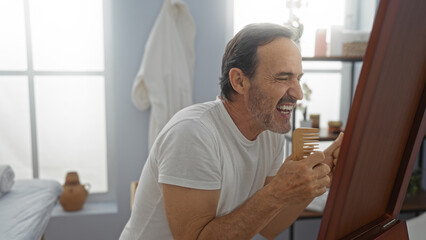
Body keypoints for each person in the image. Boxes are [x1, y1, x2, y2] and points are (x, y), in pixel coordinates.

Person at [120, 23, 343, 240]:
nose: (298, 93)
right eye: (283, 78)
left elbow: (270, 227)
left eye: (298, 78)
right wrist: (277, 191)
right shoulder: (193, 134)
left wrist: (312, 182)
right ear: (239, 81)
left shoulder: (269, 132)